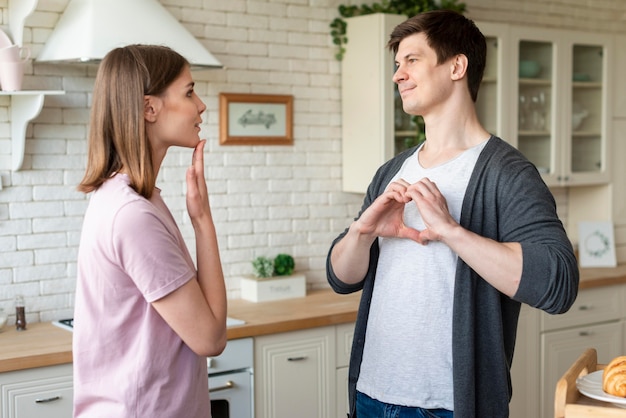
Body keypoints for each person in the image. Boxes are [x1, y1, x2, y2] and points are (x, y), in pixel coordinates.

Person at [326, 10, 579, 418]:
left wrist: (450, 231)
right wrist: (363, 231)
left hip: (447, 406)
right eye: (396, 64)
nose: (398, 75)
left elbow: (558, 283)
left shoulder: (506, 174)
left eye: (412, 60)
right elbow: (340, 277)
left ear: (457, 66)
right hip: (370, 395)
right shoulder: (392, 172)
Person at [73, 44, 227, 417]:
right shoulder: (133, 215)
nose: (201, 105)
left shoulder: (131, 199)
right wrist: (203, 221)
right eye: (189, 92)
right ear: (148, 108)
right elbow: (211, 338)